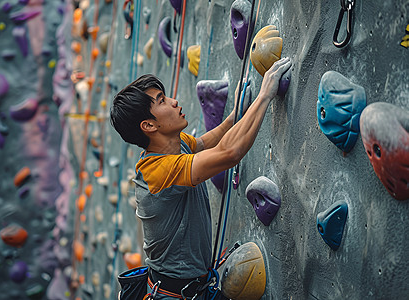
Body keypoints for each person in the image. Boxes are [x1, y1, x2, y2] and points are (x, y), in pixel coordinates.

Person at [111, 57, 292, 299]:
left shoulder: (175, 145)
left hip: (189, 288)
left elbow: (206, 143)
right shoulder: (158, 171)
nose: (174, 102)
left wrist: (235, 115)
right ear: (149, 125)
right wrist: (264, 96)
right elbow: (229, 153)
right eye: (162, 101)